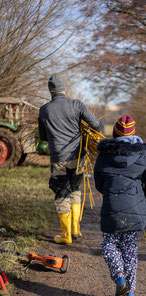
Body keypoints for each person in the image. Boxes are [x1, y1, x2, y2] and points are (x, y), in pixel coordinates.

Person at [94, 114, 146, 296]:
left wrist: (110, 194)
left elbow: (99, 184)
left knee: (109, 245)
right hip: (135, 212)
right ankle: (130, 294)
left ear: (114, 134)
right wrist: (143, 201)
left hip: (112, 209)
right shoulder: (142, 155)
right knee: (130, 249)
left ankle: (120, 279)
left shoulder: (104, 155)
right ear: (133, 134)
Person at [38, 75, 103, 244]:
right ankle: (76, 229)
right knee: (75, 188)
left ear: (50, 91)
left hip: (58, 159)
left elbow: (43, 137)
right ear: (63, 89)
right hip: (78, 157)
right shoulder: (77, 105)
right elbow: (96, 124)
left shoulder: (44, 110)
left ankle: (66, 235)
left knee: (61, 192)